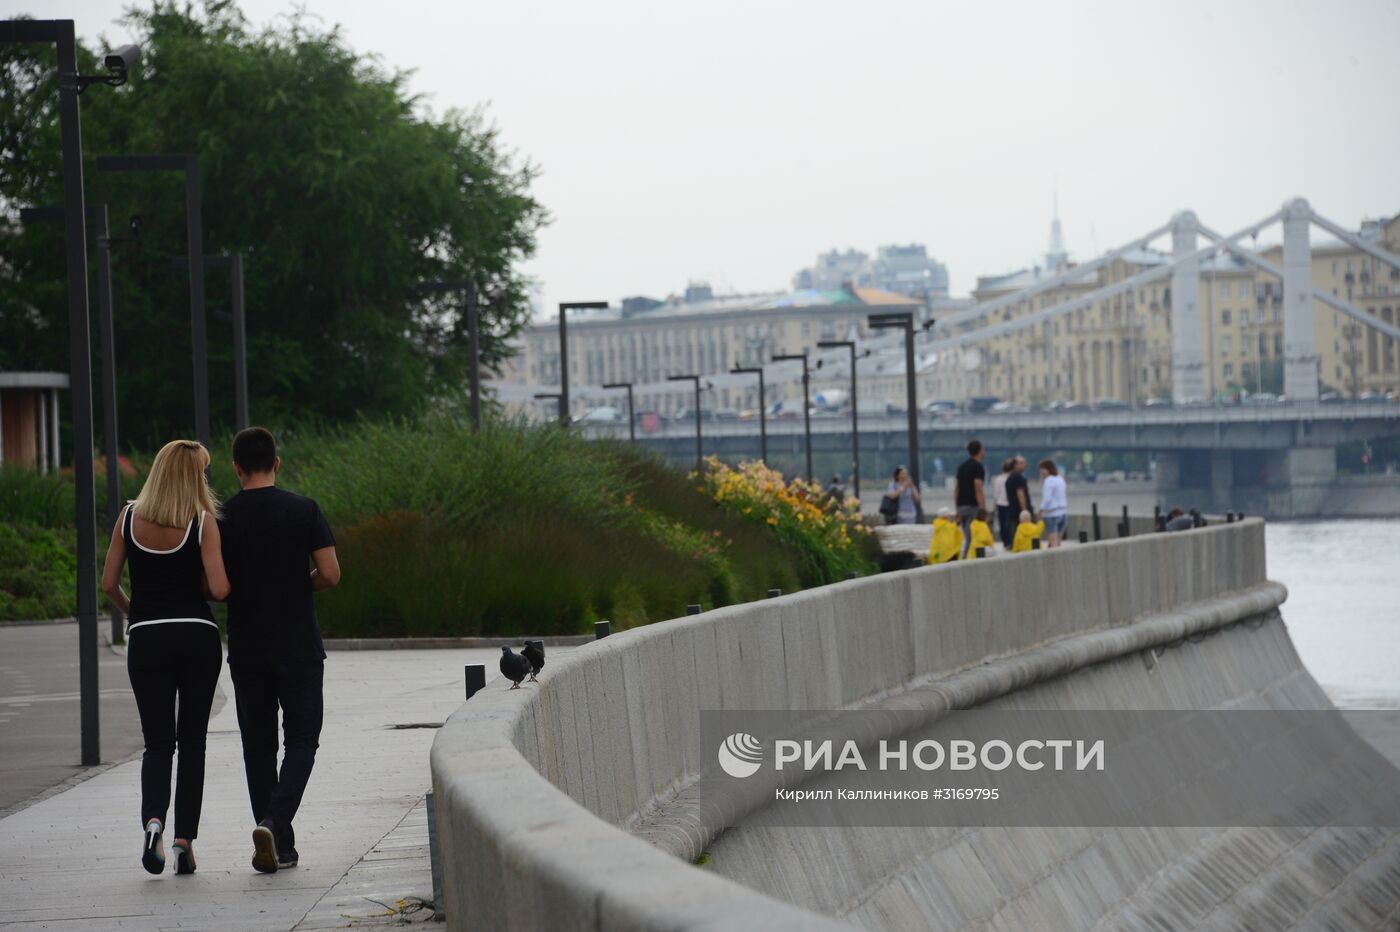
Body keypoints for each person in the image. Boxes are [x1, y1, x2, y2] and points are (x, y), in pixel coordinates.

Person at [100, 440, 229, 876]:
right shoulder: (202, 522)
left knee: (157, 742)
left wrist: (136, 613)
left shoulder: (129, 517)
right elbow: (219, 588)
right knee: (192, 742)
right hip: (197, 637)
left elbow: (108, 583)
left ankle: (153, 821)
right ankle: (183, 841)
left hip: (147, 640)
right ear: (194, 476)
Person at [220, 427, 341, 874]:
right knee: (303, 741)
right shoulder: (303, 510)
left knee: (257, 747)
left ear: (235, 467)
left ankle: (278, 843)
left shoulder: (221, 518)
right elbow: (329, 573)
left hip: (248, 648)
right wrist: (297, 585)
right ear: (277, 462)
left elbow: (215, 585)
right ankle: (275, 822)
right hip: (298, 645)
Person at [954, 440, 987, 557]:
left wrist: (957, 509)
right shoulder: (978, 467)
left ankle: (967, 558)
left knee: (968, 536)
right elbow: (978, 488)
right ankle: (967, 560)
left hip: (962, 507)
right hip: (973, 507)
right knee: (973, 536)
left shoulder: (961, 467)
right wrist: (983, 509)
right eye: (983, 449)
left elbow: (957, 489)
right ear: (979, 451)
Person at [1038, 458, 1067, 548]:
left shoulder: (1048, 480)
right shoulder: (1060, 479)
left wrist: (1041, 510)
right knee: (1058, 542)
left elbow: (1047, 498)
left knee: (1052, 542)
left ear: (1047, 469)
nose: (1040, 472)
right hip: (1063, 512)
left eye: (1042, 469)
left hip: (1051, 513)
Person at [1004, 456, 1033, 544]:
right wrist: (1024, 510)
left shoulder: (1010, 477)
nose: (1025, 465)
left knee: (1015, 534)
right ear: (1016, 465)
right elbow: (1020, 494)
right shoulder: (1018, 477)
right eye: (1022, 463)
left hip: (1012, 510)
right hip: (1019, 512)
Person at [993, 459, 1014, 549]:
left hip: (1001, 504)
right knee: (1010, 524)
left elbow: (996, 494)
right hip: (1011, 504)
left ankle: (1005, 542)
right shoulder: (1013, 478)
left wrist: (995, 506)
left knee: (1002, 524)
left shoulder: (998, 479)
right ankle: (1011, 541)